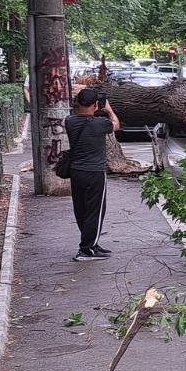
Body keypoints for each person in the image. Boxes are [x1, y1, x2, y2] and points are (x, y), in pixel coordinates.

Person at [65, 87, 120, 261]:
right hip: (95, 172)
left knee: (81, 209)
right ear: (96, 104)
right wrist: (109, 109)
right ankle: (86, 250)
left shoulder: (69, 121)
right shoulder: (100, 124)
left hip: (76, 172)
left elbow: (80, 116)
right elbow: (116, 125)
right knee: (95, 211)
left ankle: (91, 243)